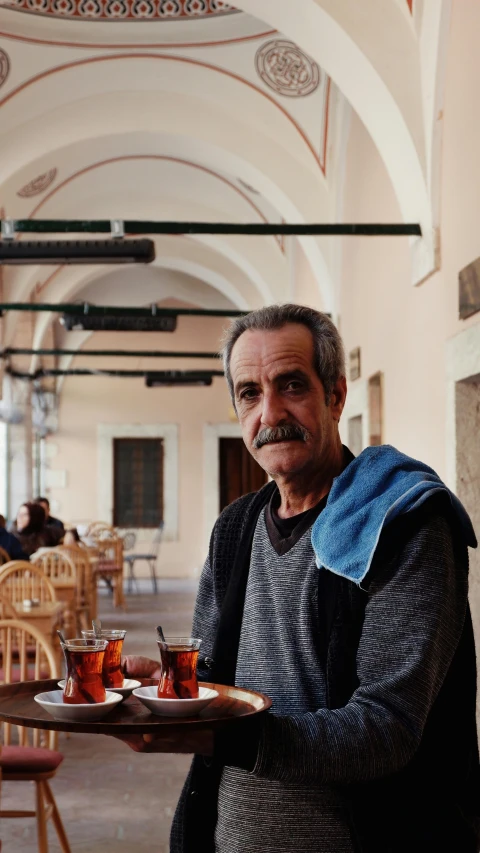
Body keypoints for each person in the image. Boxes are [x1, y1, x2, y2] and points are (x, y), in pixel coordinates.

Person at [119, 305, 480, 853]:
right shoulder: (235, 527)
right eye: (248, 393)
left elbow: (387, 728)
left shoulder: (404, 526)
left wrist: (224, 736)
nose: (270, 413)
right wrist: (173, 689)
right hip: (229, 838)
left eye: (291, 385)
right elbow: (219, 676)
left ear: (336, 395)